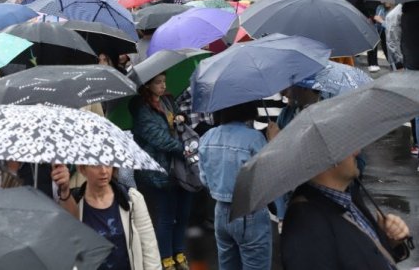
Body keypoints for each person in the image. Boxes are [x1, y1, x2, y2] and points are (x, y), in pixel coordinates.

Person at [281, 151, 411, 269]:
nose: (357, 151)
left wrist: (388, 241)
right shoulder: (306, 224)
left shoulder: (348, 195)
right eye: (348, 148)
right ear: (328, 159)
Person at [199, 103, 276, 270]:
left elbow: (204, 179)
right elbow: (268, 178)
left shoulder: (207, 137)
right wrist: (273, 142)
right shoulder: (254, 138)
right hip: (250, 212)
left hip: (220, 212)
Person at [131, 73, 192, 270]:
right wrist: (184, 150)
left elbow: (179, 122)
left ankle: (179, 253)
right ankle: (166, 258)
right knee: (166, 216)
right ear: (147, 85)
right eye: (158, 82)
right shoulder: (141, 109)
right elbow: (159, 138)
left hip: (180, 167)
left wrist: (181, 118)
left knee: (182, 214)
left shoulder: (168, 101)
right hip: (159, 170)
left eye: (164, 81)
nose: (163, 85)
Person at [75, 165, 161, 270]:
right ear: (82, 169)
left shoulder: (132, 198)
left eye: (108, 163)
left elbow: (149, 249)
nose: (103, 171)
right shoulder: (74, 203)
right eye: (96, 165)